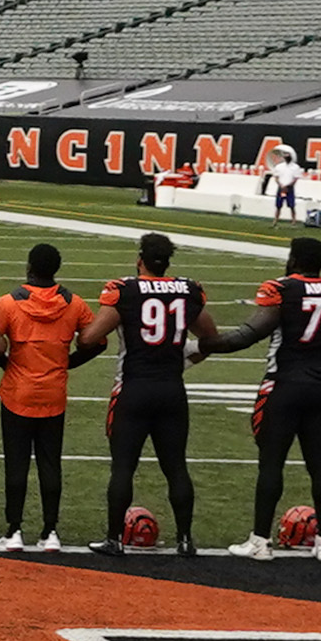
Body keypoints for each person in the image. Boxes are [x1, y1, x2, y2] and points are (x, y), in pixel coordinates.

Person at [224, 236, 321, 558]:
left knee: (272, 463)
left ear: (294, 260)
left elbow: (249, 334)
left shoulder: (283, 289)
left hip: (285, 383)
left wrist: (205, 345)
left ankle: (260, 542)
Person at [99, 235, 209, 555]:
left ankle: (114, 539)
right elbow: (210, 338)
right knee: (176, 466)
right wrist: (184, 358)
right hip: (171, 388)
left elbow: (92, 335)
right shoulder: (187, 290)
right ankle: (186, 540)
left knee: (123, 467)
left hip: (134, 387)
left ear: (140, 259)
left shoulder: (125, 290)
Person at [0, 240, 86, 550]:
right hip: (53, 392)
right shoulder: (74, 303)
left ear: (29, 267)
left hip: (18, 391)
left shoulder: (11, 303)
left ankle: (14, 530)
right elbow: (96, 341)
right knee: (50, 463)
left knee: (17, 463)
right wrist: (67, 362)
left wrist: (8, 363)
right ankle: (50, 531)